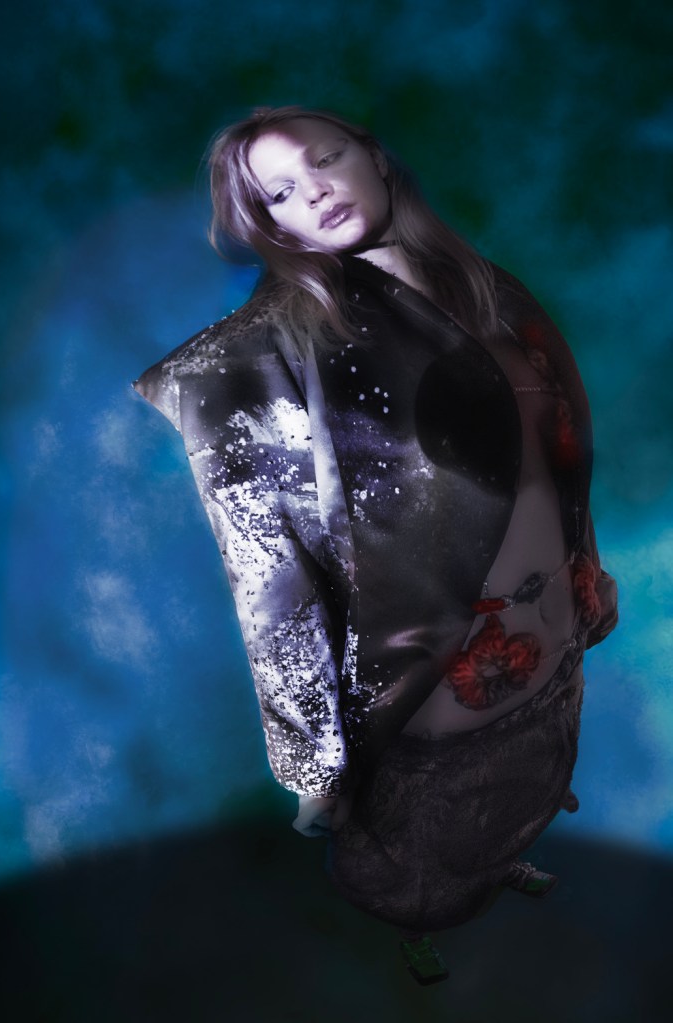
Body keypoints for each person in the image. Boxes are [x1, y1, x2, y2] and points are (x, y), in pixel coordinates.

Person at [132, 105, 618, 985]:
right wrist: (310, 758)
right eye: (281, 191)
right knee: (421, 844)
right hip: (436, 675)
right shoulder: (253, 361)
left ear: (377, 160)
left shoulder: (486, 288)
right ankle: (412, 927)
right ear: (268, 224)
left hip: (550, 637)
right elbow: (268, 581)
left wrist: (590, 576)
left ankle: (496, 863)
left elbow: (558, 456)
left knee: (525, 787)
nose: (314, 191)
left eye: (327, 158)